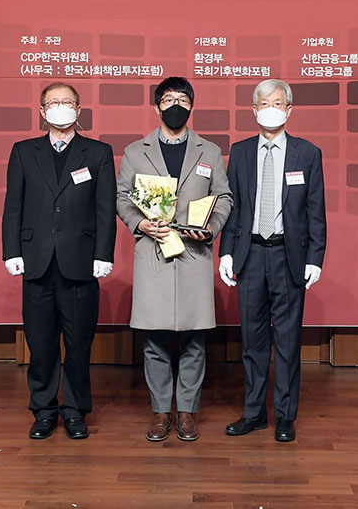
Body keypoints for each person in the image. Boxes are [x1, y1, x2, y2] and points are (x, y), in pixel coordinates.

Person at [116, 77, 232, 442]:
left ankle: (187, 412)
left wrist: (210, 228)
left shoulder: (209, 151)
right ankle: (160, 411)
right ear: (156, 107)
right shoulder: (136, 151)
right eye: (168, 100)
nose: (175, 106)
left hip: (193, 254)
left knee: (195, 339)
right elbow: (122, 197)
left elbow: (224, 197)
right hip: (153, 254)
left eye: (182, 99)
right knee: (154, 339)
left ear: (192, 107)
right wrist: (140, 224)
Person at [1, 81, 117, 440]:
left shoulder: (98, 152)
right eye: (53, 102)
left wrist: (103, 254)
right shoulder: (24, 151)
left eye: (67, 102)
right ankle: (44, 411)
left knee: (79, 344)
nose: (60, 107)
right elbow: (13, 206)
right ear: (41, 111)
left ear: (79, 110)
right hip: (36, 262)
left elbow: (105, 209)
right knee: (40, 344)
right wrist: (11, 251)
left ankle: (75, 411)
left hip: (80, 263)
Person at [219, 79, 327, 442]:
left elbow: (315, 211)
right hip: (249, 255)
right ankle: (254, 413)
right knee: (252, 341)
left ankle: (284, 415)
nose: (271, 109)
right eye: (264, 103)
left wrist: (315, 258)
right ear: (253, 110)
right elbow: (233, 208)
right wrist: (226, 251)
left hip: (288, 255)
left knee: (287, 341)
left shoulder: (307, 153)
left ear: (289, 110)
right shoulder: (240, 152)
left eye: (278, 103)